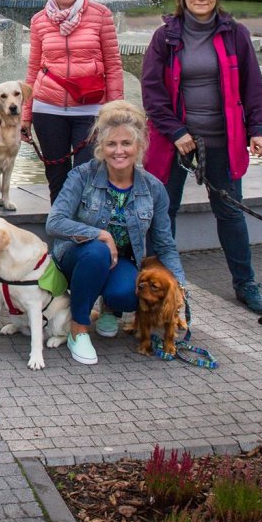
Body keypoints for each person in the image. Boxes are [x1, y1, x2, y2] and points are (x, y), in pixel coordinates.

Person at [141, 0, 262, 314]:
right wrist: (176, 131)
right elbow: (152, 92)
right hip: (175, 142)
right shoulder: (166, 37)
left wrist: (258, 130)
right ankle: (158, 283)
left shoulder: (235, 34)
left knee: (230, 213)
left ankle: (245, 283)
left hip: (222, 139)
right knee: (163, 212)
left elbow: (253, 87)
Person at [45, 100, 189, 365]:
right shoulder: (82, 176)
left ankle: (110, 307)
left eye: (126, 144)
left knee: (128, 292)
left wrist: (180, 288)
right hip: (76, 256)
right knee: (98, 251)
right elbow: (54, 223)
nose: (119, 151)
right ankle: (78, 329)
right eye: (111, 144)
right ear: (100, 147)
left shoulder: (153, 188)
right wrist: (101, 235)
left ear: (139, 147)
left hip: (120, 261)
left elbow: (165, 244)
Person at [22, 0, 125, 204]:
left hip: (90, 109)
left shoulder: (100, 15)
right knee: (56, 177)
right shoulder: (39, 21)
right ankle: (62, 235)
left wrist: (115, 111)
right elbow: (33, 68)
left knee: (86, 174)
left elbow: (113, 66)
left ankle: (84, 236)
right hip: (47, 109)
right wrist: (25, 115)